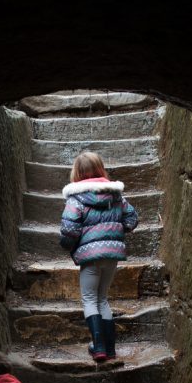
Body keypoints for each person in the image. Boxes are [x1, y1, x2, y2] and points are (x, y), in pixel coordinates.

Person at [59, 151, 138, 362]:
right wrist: (118, 230)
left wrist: (68, 246)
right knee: (102, 298)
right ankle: (110, 349)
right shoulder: (116, 196)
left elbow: (69, 229)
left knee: (89, 298)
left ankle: (99, 347)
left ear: (77, 173)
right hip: (112, 254)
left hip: (90, 256)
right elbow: (132, 217)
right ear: (101, 169)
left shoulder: (76, 199)